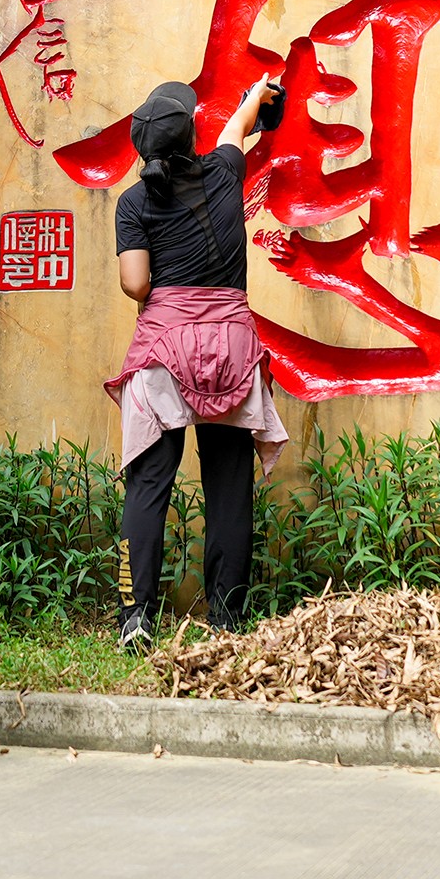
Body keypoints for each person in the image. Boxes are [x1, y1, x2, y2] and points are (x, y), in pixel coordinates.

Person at [109, 78, 291, 650]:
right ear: (192, 135)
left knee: (148, 483)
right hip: (232, 347)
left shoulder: (133, 203)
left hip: (165, 347)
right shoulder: (224, 172)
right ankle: (228, 618)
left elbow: (135, 284)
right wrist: (259, 93)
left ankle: (137, 618)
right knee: (229, 486)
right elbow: (239, 125)